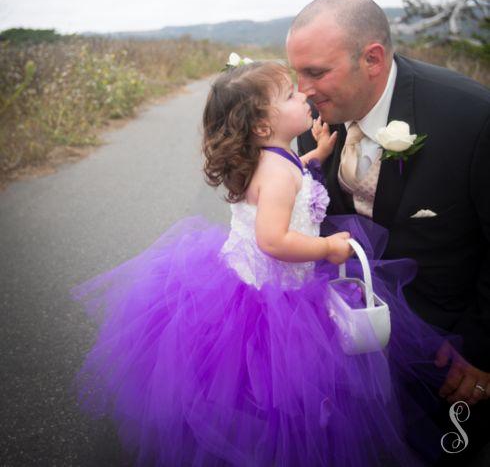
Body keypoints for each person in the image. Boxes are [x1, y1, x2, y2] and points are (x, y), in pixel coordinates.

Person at [71, 59, 462, 467]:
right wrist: (327, 249)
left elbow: (291, 175)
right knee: (278, 391)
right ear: (261, 125)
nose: (304, 94)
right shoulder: (276, 174)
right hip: (275, 297)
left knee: (260, 392)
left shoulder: (274, 157)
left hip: (252, 282)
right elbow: (273, 240)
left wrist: (316, 156)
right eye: (291, 95)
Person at [287, 0, 490, 465]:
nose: (303, 90)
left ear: (372, 58)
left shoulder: (471, 118)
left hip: (446, 352)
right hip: (344, 343)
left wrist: (483, 353)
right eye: (297, 72)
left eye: (316, 72)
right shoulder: (309, 115)